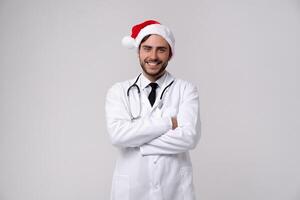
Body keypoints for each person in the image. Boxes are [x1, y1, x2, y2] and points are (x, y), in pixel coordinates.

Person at [105, 20, 201, 200]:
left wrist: (136, 140)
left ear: (170, 54)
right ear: (138, 52)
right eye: (147, 48)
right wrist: (169, 122)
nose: (154, 56)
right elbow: (117, 136)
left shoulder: (186, 89)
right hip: (132, 191)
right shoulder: (118, 91)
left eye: (161, 49)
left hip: (174, 190)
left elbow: (189, 137)